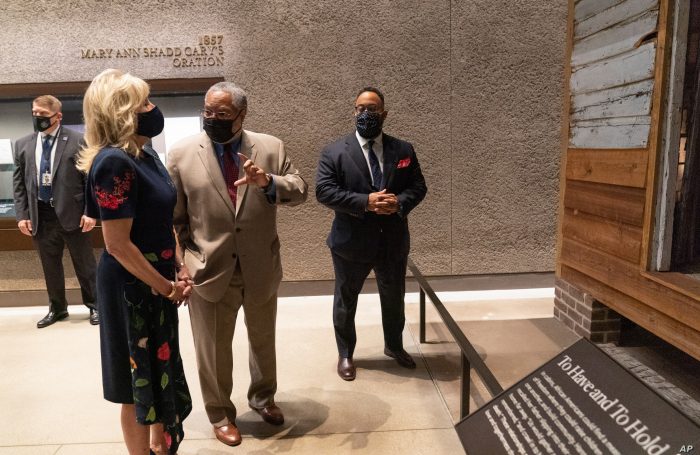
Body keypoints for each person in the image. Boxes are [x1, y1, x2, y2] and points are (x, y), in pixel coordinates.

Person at [167, 81, 308, 447]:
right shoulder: (181, 153)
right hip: (208, 268)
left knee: (263, 340)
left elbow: (300, 189)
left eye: (222, 114)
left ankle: (263, 398)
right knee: (212, 350)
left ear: (242, 115)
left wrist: (269, 183)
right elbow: (175, 220)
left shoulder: (270, 147)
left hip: (261, 264)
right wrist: (182, 265)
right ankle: (220, 413)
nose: (212, 119)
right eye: (207, 112)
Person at [77, 69, 192, 455]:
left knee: (158, 370)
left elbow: (162, 222)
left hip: (159, 279)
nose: (152, 108)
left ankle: (161, 445)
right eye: (144, 101)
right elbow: (117, 245)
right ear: (124, 111)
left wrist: (178, 267)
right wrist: (166, 286)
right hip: (130, 286)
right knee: (135, 381)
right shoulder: (113, 164)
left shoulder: (146, 155)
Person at [316, 87, 427, 381]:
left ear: (384, 114)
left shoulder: (403, 150)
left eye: (372, 109)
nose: (366, 114)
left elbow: (418, 187)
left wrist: (399, 203)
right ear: (354, 112)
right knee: (346, 299)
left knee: (394, 297)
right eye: (360, 108)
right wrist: (365, 202)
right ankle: (346, 354)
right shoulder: (334, 151)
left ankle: (394, 346)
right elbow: (324, 191)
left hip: (392, 241)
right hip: (350, 243)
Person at [12, 95, 99, 328]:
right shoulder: (22, 145)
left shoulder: (78, 141)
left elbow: (90, 179)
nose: (37, 118)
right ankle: (58, 308)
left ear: (57, 116)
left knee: (85, 264)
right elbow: (19, 183)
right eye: (34, 113)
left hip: (73, 213)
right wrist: (22, 215)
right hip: (41, 215)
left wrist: (91, 212)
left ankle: (95, 306)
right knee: (50, 265)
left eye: (42, 114)